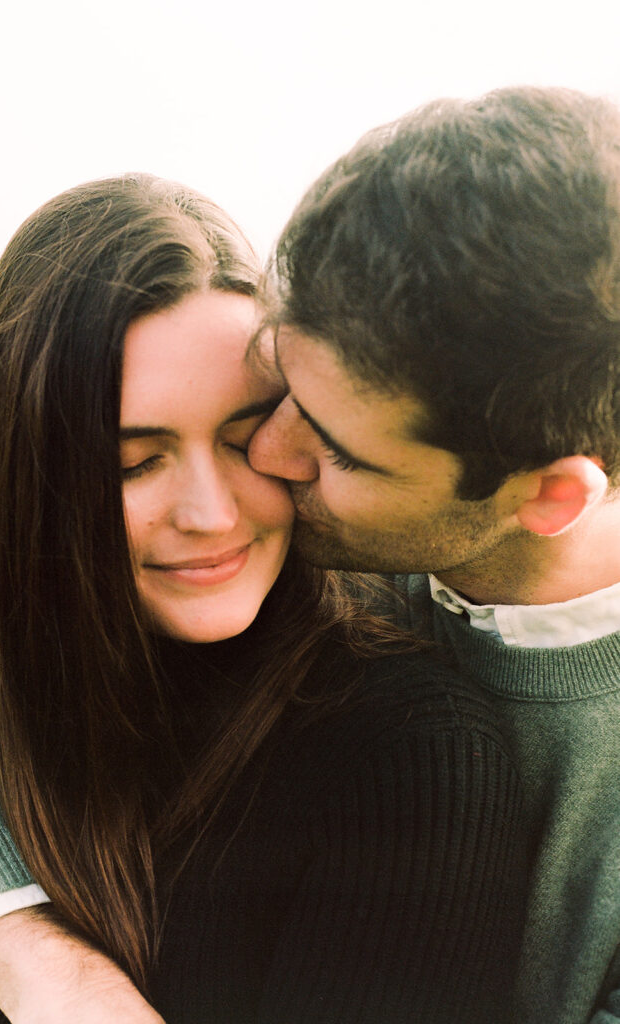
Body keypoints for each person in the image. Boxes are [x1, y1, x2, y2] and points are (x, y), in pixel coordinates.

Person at [0, 174, 527, 1024]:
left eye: (246, 438)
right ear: (28, 477)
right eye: (133, 462)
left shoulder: (408, 754)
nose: (212, 515)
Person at [245, 86, 620, 1024]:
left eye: (336, 451)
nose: (266, 455)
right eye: (279, 390)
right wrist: (27, 956)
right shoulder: (287, 536)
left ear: (549, 497)